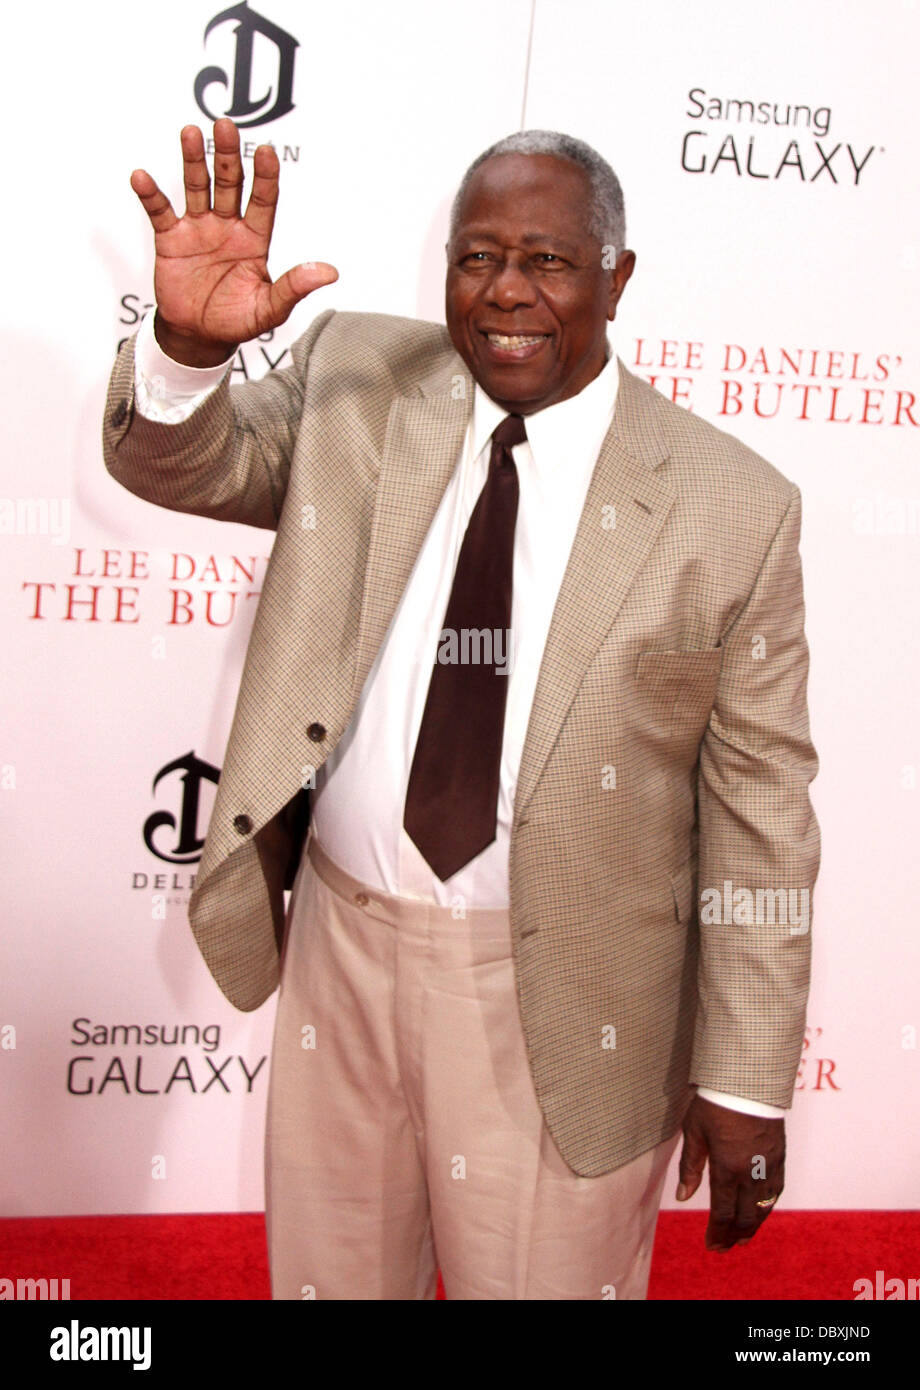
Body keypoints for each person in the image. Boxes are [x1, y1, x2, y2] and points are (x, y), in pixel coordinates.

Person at [103, 118, 820, 1300]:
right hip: (342, 947)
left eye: (547, 260)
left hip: (563, 994)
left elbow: (760, 810)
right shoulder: (360, 380)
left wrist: (744, 1078)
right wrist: (184, 348)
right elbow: (185, 464)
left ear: (616, 277)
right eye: (476, 256)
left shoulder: (731, 507)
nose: (505, 292)